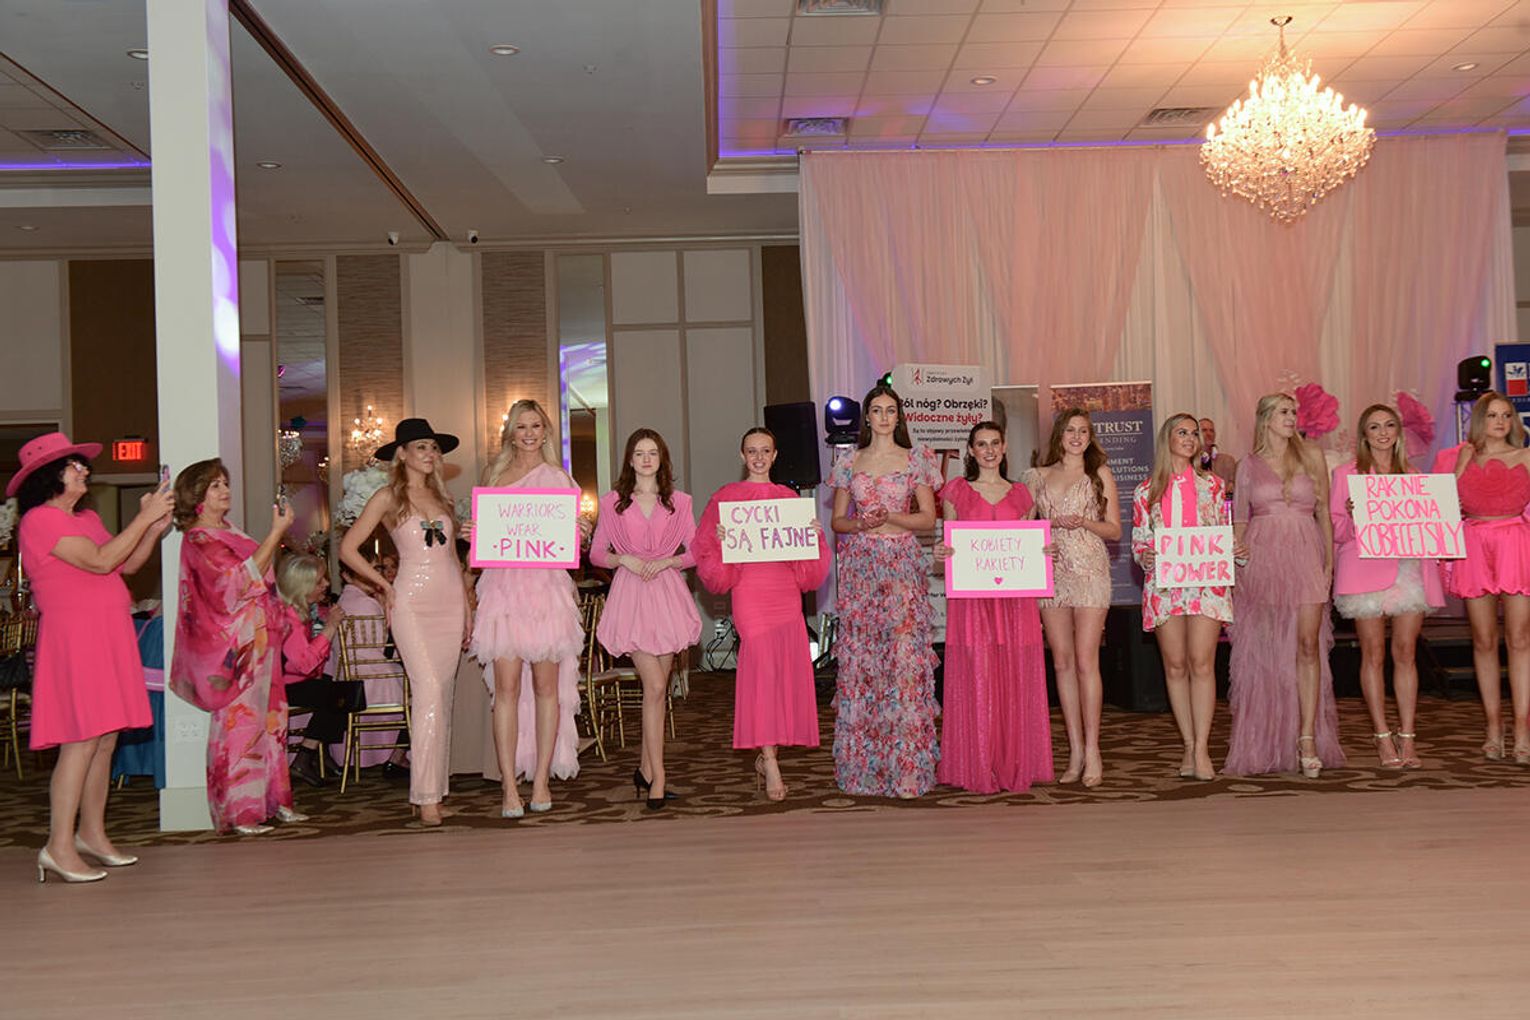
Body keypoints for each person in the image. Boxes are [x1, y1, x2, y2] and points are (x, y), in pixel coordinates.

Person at [10, 432, 172, 882]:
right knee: (80, 740)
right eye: (74, 465)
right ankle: (58, 846)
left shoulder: (86, 518)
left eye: (82, 464)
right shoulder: (40, 520)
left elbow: (125, 564)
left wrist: (152, 529)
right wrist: (142, 518)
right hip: (76, 638)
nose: (84, 470)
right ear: (49, 476)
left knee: (104, 739)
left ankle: (91, 835)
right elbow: (100, 562)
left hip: (107, 633)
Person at [339, 418, 470, 827]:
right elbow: (347, 549)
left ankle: (432, 791)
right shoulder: (387, 497)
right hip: (411, 601)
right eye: (421, 447)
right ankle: (426, 796)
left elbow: (453, 559)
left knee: (442, 696)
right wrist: (383, 585)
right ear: (402, 453)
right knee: (428, 690)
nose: (430, 454)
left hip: (450, 602)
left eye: (434, 447)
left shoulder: (443, 496)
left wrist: (468, 608)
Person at [693, 427, 830, 800]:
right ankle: (770, 760)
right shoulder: (725, 499)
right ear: (742, 456)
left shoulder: (788, 498)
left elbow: (808, 565)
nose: (758, 457)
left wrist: (813, 535)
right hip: (750, 593)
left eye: (765, 450)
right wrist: (720, 541)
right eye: (751, 451)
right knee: (763, 670)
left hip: (784, 591)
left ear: (774, 455)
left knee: (781, 673)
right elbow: (703, 550)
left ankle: (769, 751)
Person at [468, 400, 585, 818]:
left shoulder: (558, 478)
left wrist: (579, 532)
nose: (530, 433)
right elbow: (485, 541)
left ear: (546, 431)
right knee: (506, 689)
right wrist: (472, 532)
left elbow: (568, 543)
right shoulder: (494, 476)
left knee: (546, 688)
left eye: (536, 426)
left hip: (546, 591)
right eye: (522, 426)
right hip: (503, 591)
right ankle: (508, 787)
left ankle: (540, 780)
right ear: (510, 433)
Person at [170, 458, 296, 835]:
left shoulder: (228, 530)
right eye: (215, 486)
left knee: (271, 719)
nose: (225, 490)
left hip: (260, 638)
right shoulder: (199, 539)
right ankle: (241, 812)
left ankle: (273, 799)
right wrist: (276, 533)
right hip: (236, 646)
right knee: (240, 723)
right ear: (197, 495)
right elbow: (236, 584)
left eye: (225, 483)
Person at [828, 384, 941, 799]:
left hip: (901, 565)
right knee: (865, 663)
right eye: (876, 411)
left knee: (903, 662)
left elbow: (928, 518)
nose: (883, 418)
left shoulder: (916, 459)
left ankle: (906, 770)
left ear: (899, 417)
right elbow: (838, 521)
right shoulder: (849, 461)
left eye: (890, 411)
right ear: (867, 417)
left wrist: (891, 516)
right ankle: (865, 770)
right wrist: (861, 524)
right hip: (862, 567)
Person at [1226, 393, 1343, 779]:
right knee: (1268, 648)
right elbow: (1240, 519)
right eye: (1283, 412)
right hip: (1262, 560)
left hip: (1306, 554)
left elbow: (1324, 513)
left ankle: (1307, 737)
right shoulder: (1247, 465)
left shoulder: (1312, 456)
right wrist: (1238, 550)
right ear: (1265, 419)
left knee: (1308, 645)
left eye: (1293, 411)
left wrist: (1329, 565)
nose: (1291, 417)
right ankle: (1269, 736)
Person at [935, 422, 1052, 793]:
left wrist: (1043, 552)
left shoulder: (1022, 494)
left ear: (1004, 448)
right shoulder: (956, 491)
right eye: (981, 444)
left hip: (1015, 601)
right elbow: (949, 546)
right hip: (972, 601)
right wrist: (942, 554)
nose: (988, 451)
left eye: (995, 443)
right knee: (976, 674)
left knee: (1014, 673)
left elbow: (1029, 545)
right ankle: (977, 763)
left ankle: (1013, 762)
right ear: (970, 451)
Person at [588, 428, 701, 810]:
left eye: (653, 452)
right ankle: (660, 777)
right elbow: (596, 553)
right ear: (630, 460)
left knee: (659, 690)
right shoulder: (613, 503)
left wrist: (669, 561)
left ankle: (645, 769)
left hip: (667, 596)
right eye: (639, 453)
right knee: (653, 686)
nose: (647, 459)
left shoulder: (680, 502)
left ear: (662, 458)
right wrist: (624, 559)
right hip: (631, 596)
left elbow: (697, 550)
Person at [1331, 404, 1444, 769]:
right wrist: (1352, 514)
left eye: (1389, 425)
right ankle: (1382, 735)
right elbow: (1335, 530)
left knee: (1406, 651)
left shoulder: (1413, 475)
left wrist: (1445, 515)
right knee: (1373, 653)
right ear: (1364, 435)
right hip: (1363, 570)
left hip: (1407, 570)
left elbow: (1428, 528)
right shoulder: (1346, 474)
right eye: (1375, 427)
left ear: (1398, 432)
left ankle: (1408, 736)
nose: (1383, 433)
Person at [1131, 414, 1236, 782]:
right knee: (1175, 665)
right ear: (1167, 439)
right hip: (1165, 585)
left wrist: (1233, 548)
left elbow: (1222, 531)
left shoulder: (1214, 486)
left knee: (1202, 663)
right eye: (1182, 432)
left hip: (1206, 583)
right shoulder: (1146, 490)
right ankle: (1189, 745)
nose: (1190, 438)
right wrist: (1144, 555)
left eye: (1194, 433)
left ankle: (1203, 747)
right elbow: (1140, 539)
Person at [1022, 408, 1120, 787]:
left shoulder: (1099, 474)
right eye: (1070, 431)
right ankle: (1075, 749)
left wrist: (1085, 523)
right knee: (1061, 661)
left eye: (1083, 431)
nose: (1077, 437)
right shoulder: (1036, 476)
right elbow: (1024, 527)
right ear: (1059, 435)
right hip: (1052, 571)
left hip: (1090, 571)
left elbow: (1114, 530)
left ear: (1090, 437)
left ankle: (1094, 749)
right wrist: (1045, 531)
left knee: (1084, 660)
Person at [1447, 392, 1530, 762]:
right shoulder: (1464, 454)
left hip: (1515, 542)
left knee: (1520, 639)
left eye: (1506, 415)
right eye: (1493, 415)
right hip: (1474, 545)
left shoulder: (1526, 456)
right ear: (1481, 420)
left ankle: (1523, 731)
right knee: (1482, 640)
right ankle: (1494, 727)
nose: (1500, 422)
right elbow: (1446, 502)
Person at [272, 553, 349, 793]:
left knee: (342, 691)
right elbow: (305, 664)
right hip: (281, 687)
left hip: (294, 681)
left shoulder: (301, 612)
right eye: (319, 581)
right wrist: (330, 627)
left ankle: (315, 752)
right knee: (339, 695)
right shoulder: (289, 617)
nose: (326, 584)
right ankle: (306, 756)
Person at [324, 552, 407, 774]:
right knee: (421, 692)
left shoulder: (343, 601)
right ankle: (398, 755)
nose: (372, 575)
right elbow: (383, 647)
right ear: (347, 575)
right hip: (376, 679)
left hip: (347, 678)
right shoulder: (368, 604)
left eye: (376, 569)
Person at [1197, 417, 1238, 494]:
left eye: (1211, 430)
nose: (1208, 434)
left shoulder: (1227, 461)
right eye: (1204, 430)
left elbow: (1231, 491)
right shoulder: (1189, 461)